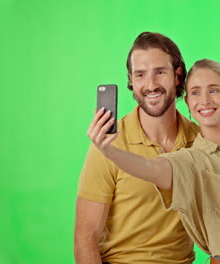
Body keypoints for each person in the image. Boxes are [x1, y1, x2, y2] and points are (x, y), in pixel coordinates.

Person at [88, 59, 220, 264]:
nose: (205, 100)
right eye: (195, 92)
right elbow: (151, 168)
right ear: (188, 104)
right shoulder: (190, 160)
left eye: (214, 90)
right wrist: (109, 151)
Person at [74, 32, 199, 264]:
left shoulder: (200, 141)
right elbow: (85, 238)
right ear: (131, 80)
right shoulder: (108, 144)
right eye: (140, 75)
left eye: (160, 72)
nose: (150, 85)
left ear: (178, 76)